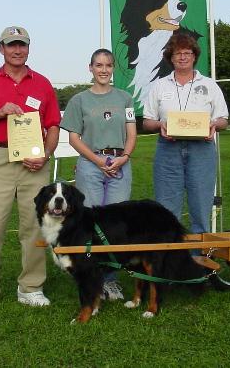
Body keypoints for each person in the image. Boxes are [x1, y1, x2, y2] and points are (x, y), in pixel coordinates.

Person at [0, 26, 61, 314]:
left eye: (22, 45)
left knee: (35, 228)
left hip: (34, 163)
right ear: (1, 49)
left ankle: (31, 287)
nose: (17, 50)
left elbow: (53, 125)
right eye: (11, 45)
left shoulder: (42, 84)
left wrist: (46, 154)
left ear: (29, 48)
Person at [60, 48, 137, 300]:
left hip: (119, 163)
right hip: (91, 163)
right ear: (90, 67)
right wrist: (97, 160)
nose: (103, 70)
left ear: (113, 68)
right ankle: (91, 279)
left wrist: (123, 157)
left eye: (108, 65)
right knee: (89, 224)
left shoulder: (125, 98)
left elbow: (131, 132)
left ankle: (111, 280)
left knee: (115, 225)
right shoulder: (78, 100)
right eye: (98, 65)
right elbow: (73, 137)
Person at [143, 33, 228, 241]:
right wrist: (160, 125)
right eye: (178, 53)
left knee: (201, 205)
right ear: (170, 57)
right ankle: (170, 262)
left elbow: (223, 120)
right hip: (168, 150)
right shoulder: (159, 86)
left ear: (194, 56)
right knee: (167, 208)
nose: (182, 57)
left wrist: (213, 125)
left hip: (201, 150)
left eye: (187, 53)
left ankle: (200, 263)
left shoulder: (209, 85)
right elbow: (146, 122)